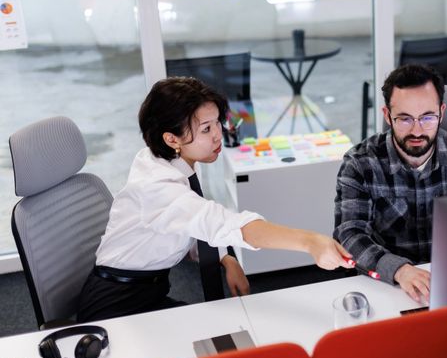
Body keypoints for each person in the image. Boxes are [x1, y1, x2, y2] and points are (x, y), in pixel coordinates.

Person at [77, 77, 353, 322]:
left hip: (148, 290)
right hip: (115, 308)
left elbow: (191, 222)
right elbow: (224, 223)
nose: (219, 134)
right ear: (172, 138)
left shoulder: (166, 159)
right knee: (216, 348)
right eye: (206, 129)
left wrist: (225, 258)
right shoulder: (157, 187)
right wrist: (310, 242)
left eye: (217, 123)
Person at [334, 64, 447, 303]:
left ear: (442, 113)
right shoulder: (360, 163)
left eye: (427, 117)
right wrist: (400, 270)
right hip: (390, 285)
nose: (417, 130)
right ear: (387, 115)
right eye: (404, 119)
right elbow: (349, 234)